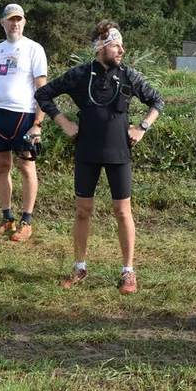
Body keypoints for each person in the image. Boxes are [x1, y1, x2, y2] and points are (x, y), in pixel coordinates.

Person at [34, 20, 164, 294]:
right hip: (87, 152)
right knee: (83, 211)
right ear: (100, 47)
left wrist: (142, 127)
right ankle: (80, 266)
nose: (122, 50)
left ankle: (128, 272)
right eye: (116, 45)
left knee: (122, 211)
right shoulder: (81, 75)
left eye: (122, 45)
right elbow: (43, 93)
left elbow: (157, 101)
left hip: (119, 153)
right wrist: (64, 123)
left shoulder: (129, 75)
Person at [0, 4, 48, 241]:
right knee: (1, 167)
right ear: (2, 23)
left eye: (18, 19)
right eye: (10, 19)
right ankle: (7, 218)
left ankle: (27, 221)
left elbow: (42, 89)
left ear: (24, 22)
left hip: (24, 117)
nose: (14, 23)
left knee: (26, 167)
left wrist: (38, 123)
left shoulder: (33, 49)